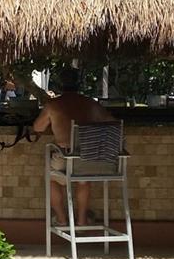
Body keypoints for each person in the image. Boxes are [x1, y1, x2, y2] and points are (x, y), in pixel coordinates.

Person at [32, 67, 115, 228]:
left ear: (60, 85)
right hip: (88, 157)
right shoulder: (90, 104)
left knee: (52, 179)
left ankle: (62, 219)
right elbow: (111, 123)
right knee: (83, 180)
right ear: (79, 84)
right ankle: (82, 220)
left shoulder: (54, 105)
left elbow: (37, 127)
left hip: (64, 156)